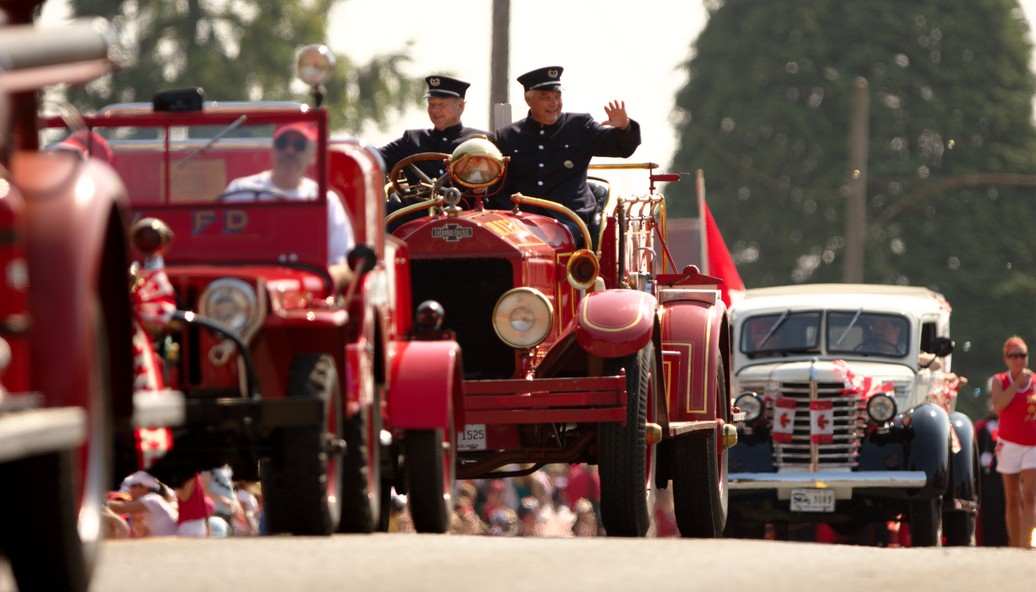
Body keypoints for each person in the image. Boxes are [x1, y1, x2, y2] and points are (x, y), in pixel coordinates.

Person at [491, 66, 642, 249]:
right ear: (528, 99)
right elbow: (497, 188)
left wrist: (625, 127)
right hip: (519, 221)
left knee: (549, 244)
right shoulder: (507, 136)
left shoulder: (579, 126)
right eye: (546, 98)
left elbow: (621, 147)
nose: (554, 104)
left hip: (569, 218)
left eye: (557, 97)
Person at [221, 122, 354, 266]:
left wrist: (320, 282)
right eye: (282, 143)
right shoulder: (240, 191)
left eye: (299, 145)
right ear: (273, 149)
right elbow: (218, 250)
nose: (289, 150)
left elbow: (343, 262)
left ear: (313, 155)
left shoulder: (326, 201)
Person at [378, 75, 488, 182]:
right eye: (431, 104)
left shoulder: (481, 142)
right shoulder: (412, 140)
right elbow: (373, 158)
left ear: (461, 106)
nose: (434, 110)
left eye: (441, 104)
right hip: (419, 201)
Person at [989, 336, 1036, 548]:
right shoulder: (1000, 380)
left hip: (1033, 444)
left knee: (1030, 495)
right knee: (1013, 497)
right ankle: (1014, 544)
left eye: (1022, 355)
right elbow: (998, 406)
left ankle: (1028, 543)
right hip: (1009, 444)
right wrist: (1017, 383)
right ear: (1006, 359)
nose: (1019, 360)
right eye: (1013, 356)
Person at [107, 470, 179, 537]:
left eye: (133, 486)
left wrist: (99, 503)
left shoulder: (152, 499)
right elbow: (143, 536)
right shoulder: (151, 503)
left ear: (144, 487)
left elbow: (121, 507)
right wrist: (136, 521)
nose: (130, 489)